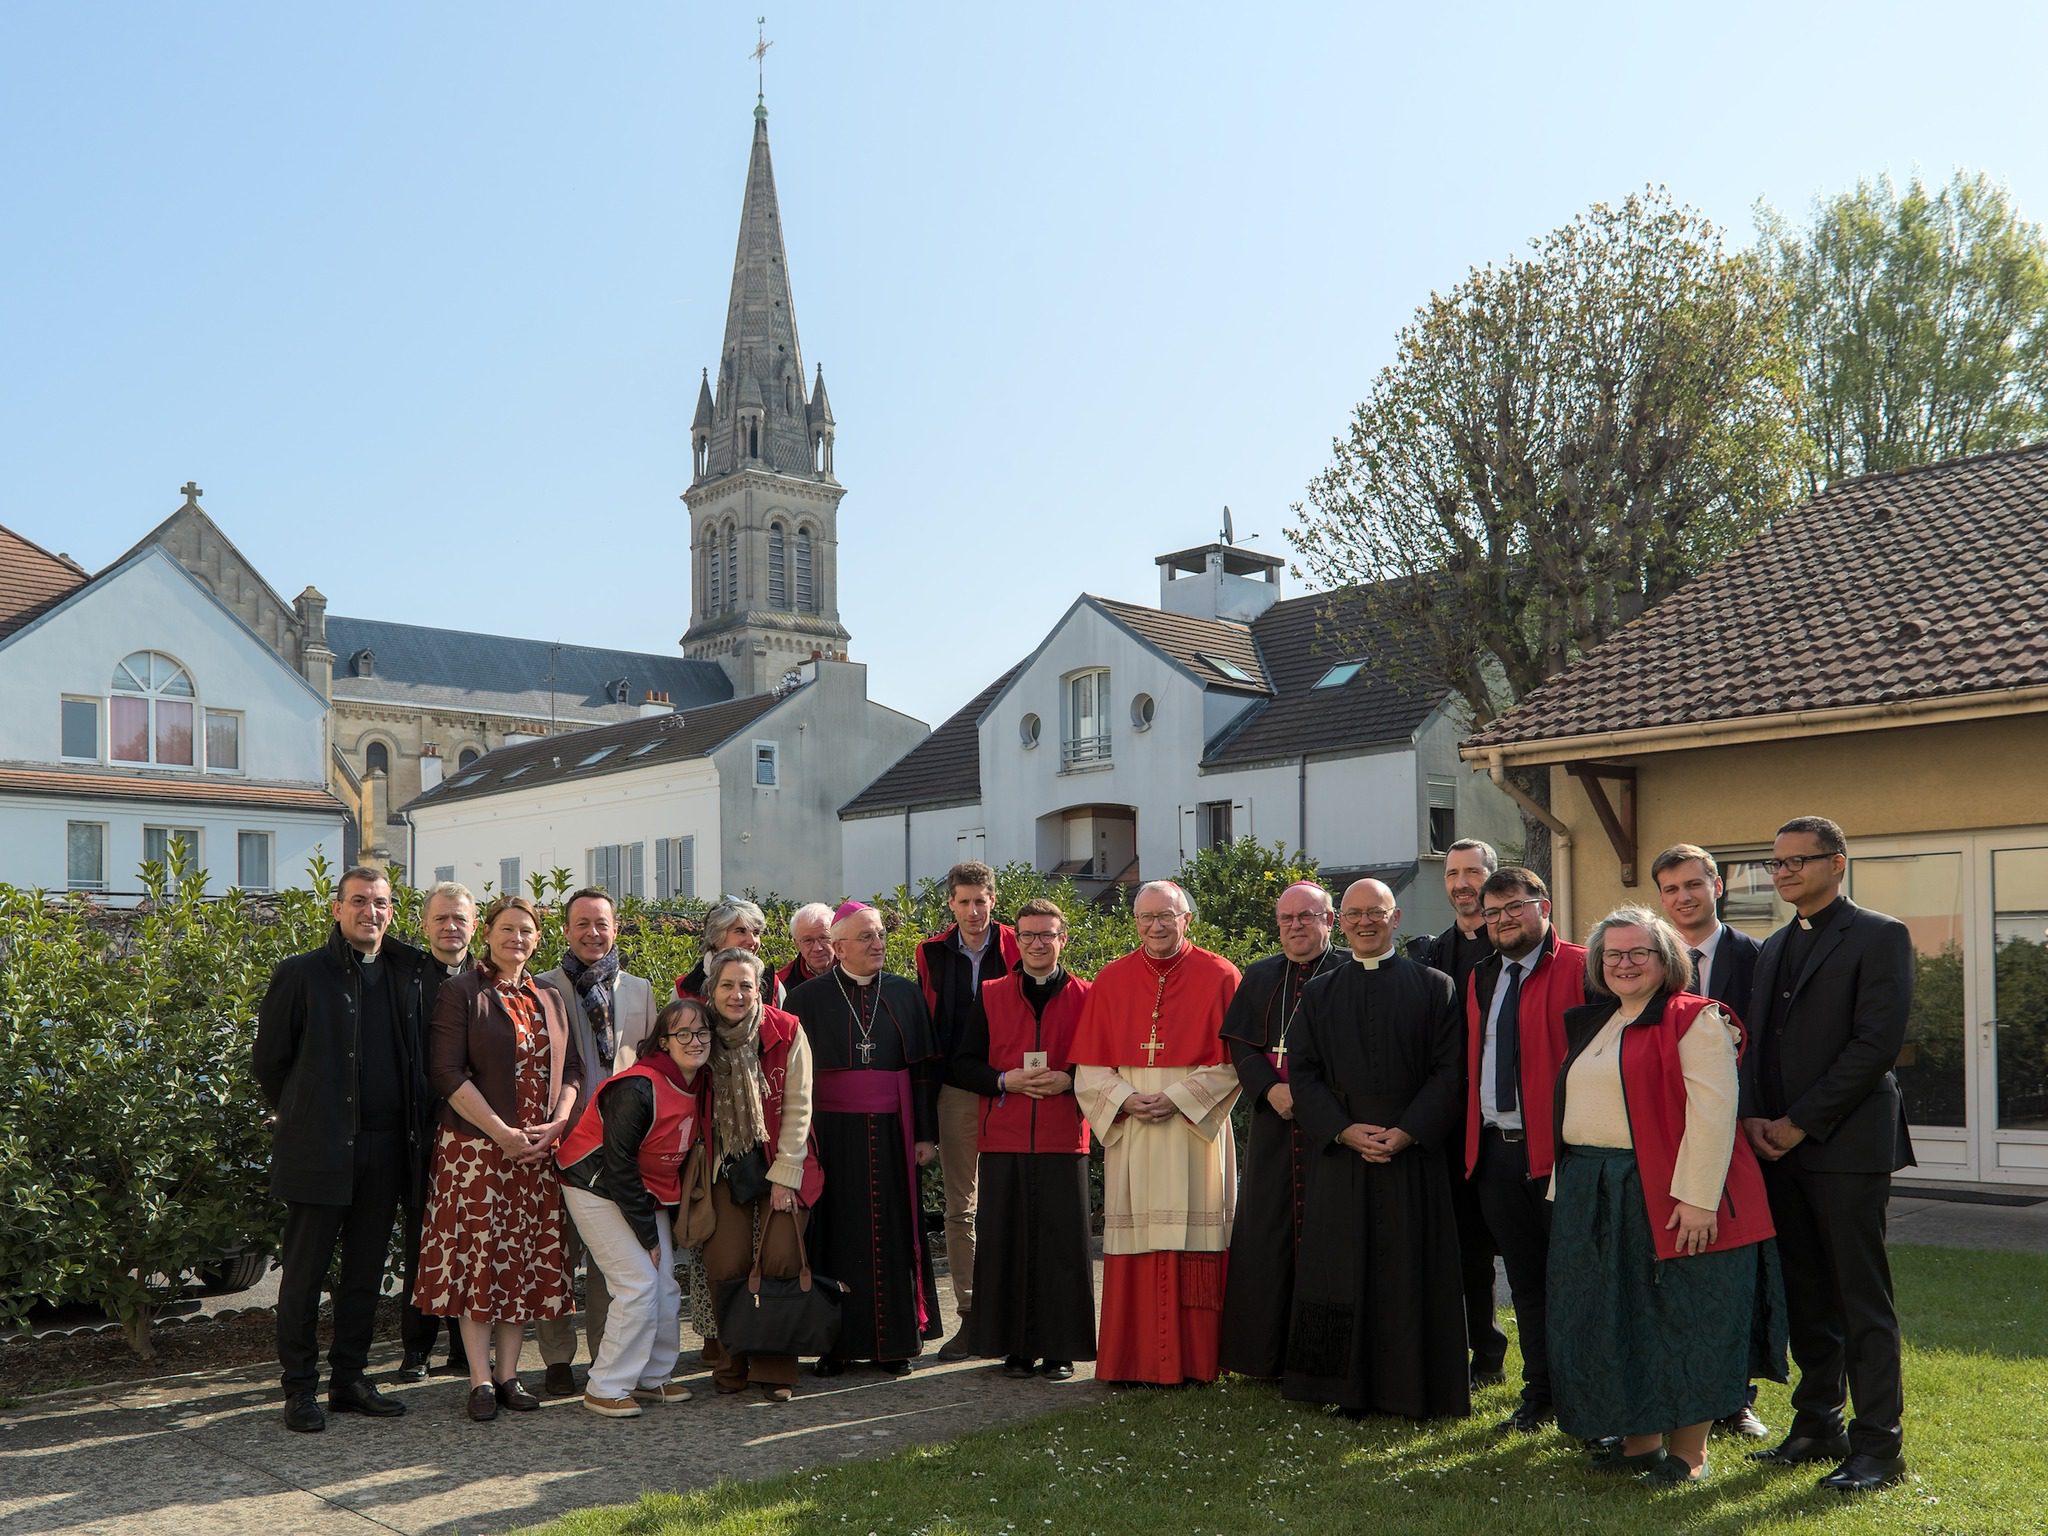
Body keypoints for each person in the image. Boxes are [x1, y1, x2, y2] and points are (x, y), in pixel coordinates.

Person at [1549, 908, 1785, 1482]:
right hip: (1596, 1189)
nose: (1624, 963)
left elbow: (1713, 1114)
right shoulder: (1600, 1020)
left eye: (1639, 953)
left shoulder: (1695, 1019)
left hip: (1668, 1193)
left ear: (1666, 960)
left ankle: (1689, 1453)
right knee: (1622, 1317)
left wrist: (1699, 1198)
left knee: (1682, 1319)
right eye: (1613, 954)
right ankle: (1640, 1443)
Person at [1739, 816, 1915, 1493]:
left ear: (1837, 863)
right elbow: (1756, 1041)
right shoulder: (1775, 945)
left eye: (1798, 861)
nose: (1783, 873)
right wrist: (1757, 1117)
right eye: (1776, 863)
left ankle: (1879, 1448)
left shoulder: (1880, 934)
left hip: (1846, 1147)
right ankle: (1818, 1425)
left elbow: (1876, 1046)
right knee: (1807, 1297)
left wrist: (1799, 1124)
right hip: (1779, 1151)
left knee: (1859, 1299)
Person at [254, 865, 432, 1432]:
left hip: (388, 1149)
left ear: (391, 912)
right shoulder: (302, 973)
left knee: (364, 1273)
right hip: (321, 1147)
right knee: (304, 1276)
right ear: (337, 909)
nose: (369, 912)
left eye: (379, 903)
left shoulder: (408, 972)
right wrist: (308, 1114)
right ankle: (299, 1389)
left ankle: (349, 1380)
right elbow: (270, 1062)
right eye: (358, 901)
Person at [1283, 879, 1468, 1418]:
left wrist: (1408, 1131)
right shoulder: (1320, 993)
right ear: (1340, 922)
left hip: (1413, 1154)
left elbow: (1449, 1071)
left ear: (1396, 918)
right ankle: (1335, 1388)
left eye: (1376, 912)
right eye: (1354, 914)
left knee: (1413, 1269)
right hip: (1343, 1153)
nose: (1365, 922)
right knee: (1336, 1269)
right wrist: (1342, 1130)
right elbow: (1303, 1074)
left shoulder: (1435, 987)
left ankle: (1415, 1390)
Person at [415, 893, 583, 1423]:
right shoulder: (461, 991)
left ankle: (510, 1376)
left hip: (535, 1155)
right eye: (507, 928)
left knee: (521, 1263)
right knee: (479, 1263)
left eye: (526, 930)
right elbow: (446, 1072)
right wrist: (501, 1133)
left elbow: (573, 1070)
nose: (516, 938)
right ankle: (479, 1380)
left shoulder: (550, 995)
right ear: (486, 935)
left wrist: (557, 1123)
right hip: (475, 1154)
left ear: (538, 940)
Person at [1071, 880, 1242, 1386]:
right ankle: (1133, 1360)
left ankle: (1198, 1362)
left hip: (1193, 1132)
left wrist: (1179, 1098)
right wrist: (1126, 1099)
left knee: (1197, 1238)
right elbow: (1089, 1068)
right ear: (1136, 922)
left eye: (1167, 916)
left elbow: (1236, 1063)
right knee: (1135, 1239)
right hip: (1136, 1130)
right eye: (1147, 917)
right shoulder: (1112, 979)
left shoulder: (1221, 975)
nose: (1156, 926)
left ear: (1186, 919)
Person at [786, 901, 942, 1374]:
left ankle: (895, 1344)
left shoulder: (905, 994)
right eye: (867, 937)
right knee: (833, 1235)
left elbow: (922, 1072)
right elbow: (793, 1079)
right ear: (838, 948)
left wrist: (926, 1135)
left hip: (895, 1133)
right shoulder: (807, 999)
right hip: (831, 1137)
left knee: (894, 1233)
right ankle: (836, 1346)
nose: (878, 944)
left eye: (880, 935)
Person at [948, 897, 1095, 1379]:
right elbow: (963, 1063)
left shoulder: (1087, 995)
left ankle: (1059, 1351)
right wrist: (1004, 1080)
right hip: (1004, 1137)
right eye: (1028, 934)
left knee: (1061, 1249)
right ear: (1017, 939)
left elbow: (1104, 1063)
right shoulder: (991, 994)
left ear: (1062, 939)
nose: (1037, 943)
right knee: (1005, 1245)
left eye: (1046, 934)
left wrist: (1070, 1080)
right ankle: (1014, 1349)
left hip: (1062, 1137)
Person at [1651, 842, 1769, 1441]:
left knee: (1734, 1276)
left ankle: (1735, 1397)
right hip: (1667, 1139)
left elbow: (1768, 1046)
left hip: (1744, 1138)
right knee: (1678, 1275)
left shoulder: (1758, 957)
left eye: (1694, 884)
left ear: (1717, 886)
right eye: (1671, 889)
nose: (1684, 897)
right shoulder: (1647, 962)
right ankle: (1673, 1394)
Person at [1465, 866, 1585, 1434]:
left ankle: (1590, 1398)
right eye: (1492, 912)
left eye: (1515, 906)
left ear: (1544, 906)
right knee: (1527, 1282)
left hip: (1563, 1155)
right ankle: (1541, 1394)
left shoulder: (1585, 968)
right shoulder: (1481, 976)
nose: (1503, 920)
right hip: (1497, 1154)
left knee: (1578, 1283)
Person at [555, 997, 712, 1416]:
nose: (694, 1041)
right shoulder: (637, 1087)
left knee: (665, 1285)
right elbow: (619, 1165)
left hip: (645, 1190)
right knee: (637, 1284)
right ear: (664, 1041)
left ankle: (651, 1377)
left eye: (702, 1032)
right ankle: (606, 1385)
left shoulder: (700, 1082)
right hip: (596, 1185)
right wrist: (648, 1237)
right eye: (683, 1033)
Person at [1217, 880, 1345, 1380]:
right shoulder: (1261, 975)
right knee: (1267, 1238)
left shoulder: (1347, 973)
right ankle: (1265, 1358)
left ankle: (1321, 1361)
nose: (1295, 927)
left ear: (1329, 921)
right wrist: (1270, 1090)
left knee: (1329, 1243)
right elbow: (1241, 1045)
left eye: (1306, 917)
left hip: (1329, 1130)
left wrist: (1310, 1101)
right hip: (1274, 1128)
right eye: (1287, 919)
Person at [535, 887, 659, 1397]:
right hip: (561, 1144)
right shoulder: (542, 987)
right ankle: (556, 1357)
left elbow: (650, 1066)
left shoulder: (640, 991)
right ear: (566, 930)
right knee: (556, 1256)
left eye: (601, 923)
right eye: (582, 924)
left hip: (619, 1148)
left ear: (615, 928)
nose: (592, 933)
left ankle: (606, 1354)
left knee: (614, 1261)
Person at [1405, 838, 1509, 1388]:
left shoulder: (1514, 951)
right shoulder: (1429, 955)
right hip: (1449, 1127)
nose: (1462, 884)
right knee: (1465, 1249)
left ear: (1492, 877)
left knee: (1523, 1247)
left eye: (1472, 872)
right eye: (1452, 874)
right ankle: (1484, 1355)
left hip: (1507, 1125)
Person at [698, 945, 820, 1402]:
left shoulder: (786, 1029)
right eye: (727, 985)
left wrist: (787, 1173)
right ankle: (732, 1362)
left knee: (781, 1259)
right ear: (712, 989)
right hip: (723, 1165)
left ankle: (775, 1369)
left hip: (781, 1159)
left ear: (760, 990)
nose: (736, 994)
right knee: (725, 1263)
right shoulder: (698, 1031)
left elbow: (799, 1104)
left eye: (745, 986)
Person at [916, 860, 1022, 1360]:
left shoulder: (1020, 944)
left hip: (1012, 1087)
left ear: (993, 901)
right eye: (964, 902)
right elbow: (929, 1024)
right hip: (957, 1089)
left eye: (981, 901)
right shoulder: (931, 952)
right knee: (962, 1208)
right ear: (951, 904)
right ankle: (972, 1315)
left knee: (1014, 1201)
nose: (974, 911)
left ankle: (1017, 1316)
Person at [397, 880, 478, 1382]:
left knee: (470, 1241)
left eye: (460, 918)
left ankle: (465, 1348)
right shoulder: (406, 981)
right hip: (421, 1132)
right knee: (422, 1242)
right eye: (442, 918)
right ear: (425, 925)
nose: (451, 927)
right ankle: (416, 1348)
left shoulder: (490, 979)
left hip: (475, 1132)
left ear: (474, 925)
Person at [678, 896, 785, 1008]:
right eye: (741, 931)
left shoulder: (773, 985)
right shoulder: (684, 989)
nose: (752, 941)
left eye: (756, 933)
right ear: (716, 936)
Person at [779, 901, 837, 995]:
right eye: (808, 940)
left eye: (824, 938)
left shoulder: (855, 970)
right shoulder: (782, 982)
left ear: (836, 937)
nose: (817, 948)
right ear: (797, 944)